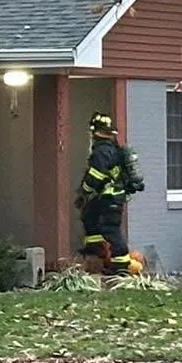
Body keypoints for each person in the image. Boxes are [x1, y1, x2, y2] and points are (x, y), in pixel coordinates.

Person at [78, 111, 145, 275]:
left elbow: (96, 175)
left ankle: (121, 264)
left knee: (110, 228)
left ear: (95, 132)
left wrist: (84, 191)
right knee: (90, 216)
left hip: (110, 197)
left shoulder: (101, 151)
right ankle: (96, 249)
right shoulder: (112, 149)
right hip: (108, 197)